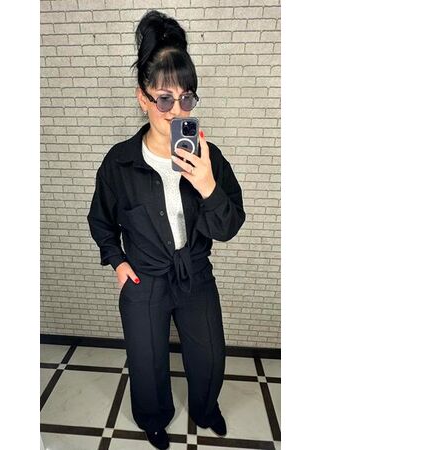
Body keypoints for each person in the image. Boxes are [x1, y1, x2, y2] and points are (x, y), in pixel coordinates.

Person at [87, 10, 246, 450]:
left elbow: (229, 226)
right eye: (164, 99)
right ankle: (153, 419)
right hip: (145, 279)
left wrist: (208, 185)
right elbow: (100, 220)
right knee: (146, 361)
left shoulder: (209, 158)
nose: (176, 111)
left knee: (209, 354)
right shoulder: (119, 163)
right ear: (143, 98)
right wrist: (117, 262)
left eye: (186, 99)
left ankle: (205, 408)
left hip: (194, 274)